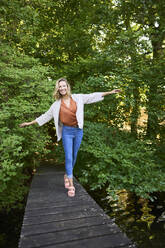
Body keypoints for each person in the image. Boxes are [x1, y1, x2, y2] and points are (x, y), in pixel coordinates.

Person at [19, 78, 121, 197]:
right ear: (58, 89)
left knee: (74, 156)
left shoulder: (78, 98)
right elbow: (45, 116)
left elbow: (92, 96)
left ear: (67, 87)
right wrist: (29, 123)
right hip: (67, 131)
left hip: (78, 131)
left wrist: (110, 92)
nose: (62, 88)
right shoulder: (56, 105)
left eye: (64, 86)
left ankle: (67, 174)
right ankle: (71, 184)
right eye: (60, 87)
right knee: (68, 157)